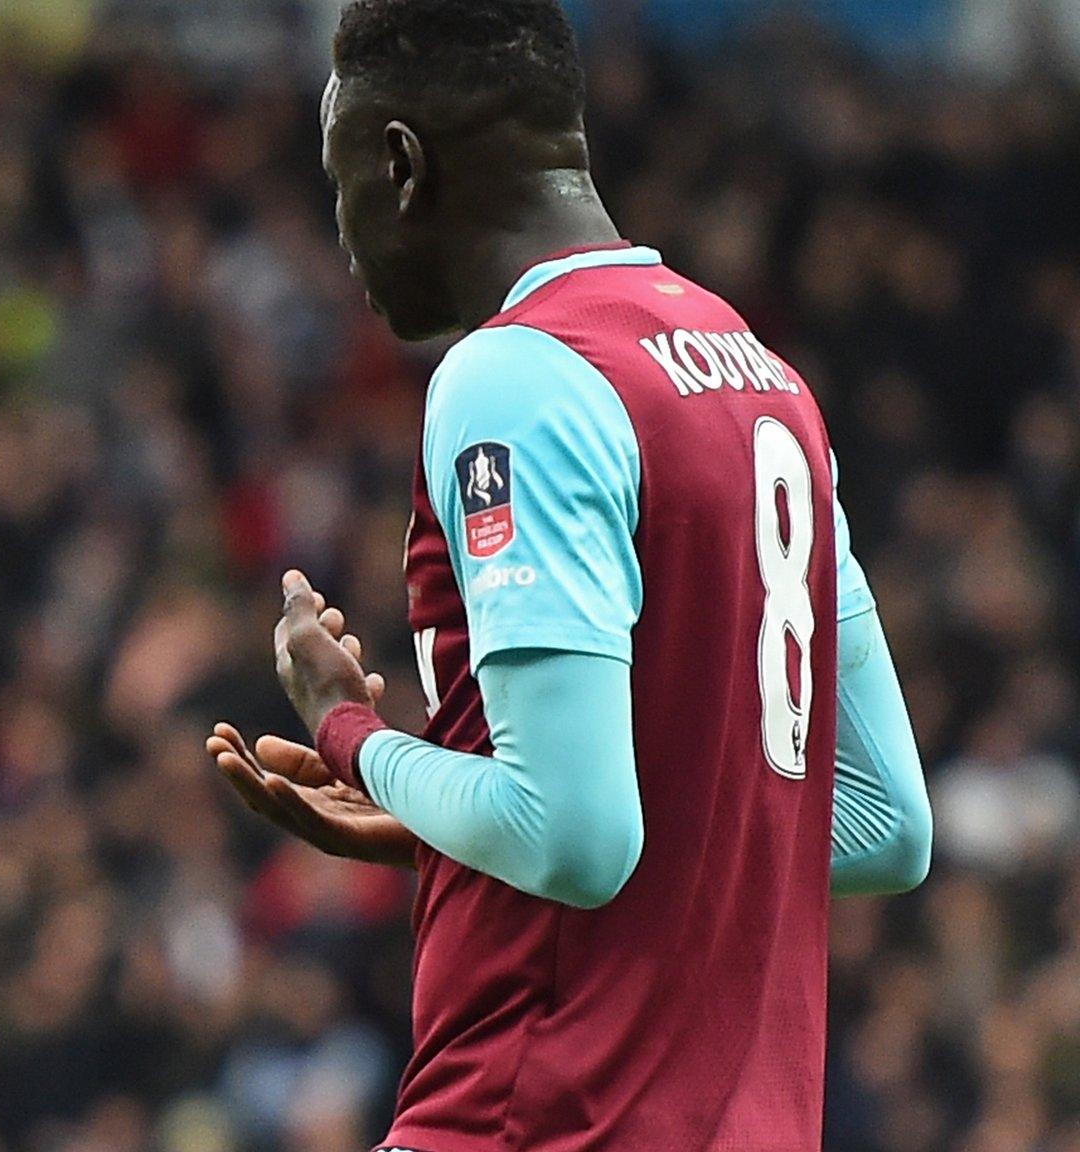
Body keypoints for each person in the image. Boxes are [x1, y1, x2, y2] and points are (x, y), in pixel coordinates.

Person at [206, 2, 932, 1149]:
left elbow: (576, 841)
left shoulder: (514, 376)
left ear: (399, 163)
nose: (341, 237)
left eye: (338, 179)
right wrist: (442, 823)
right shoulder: (765, 382)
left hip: (531, 1118)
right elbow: (880, 822)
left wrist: (349, 734)